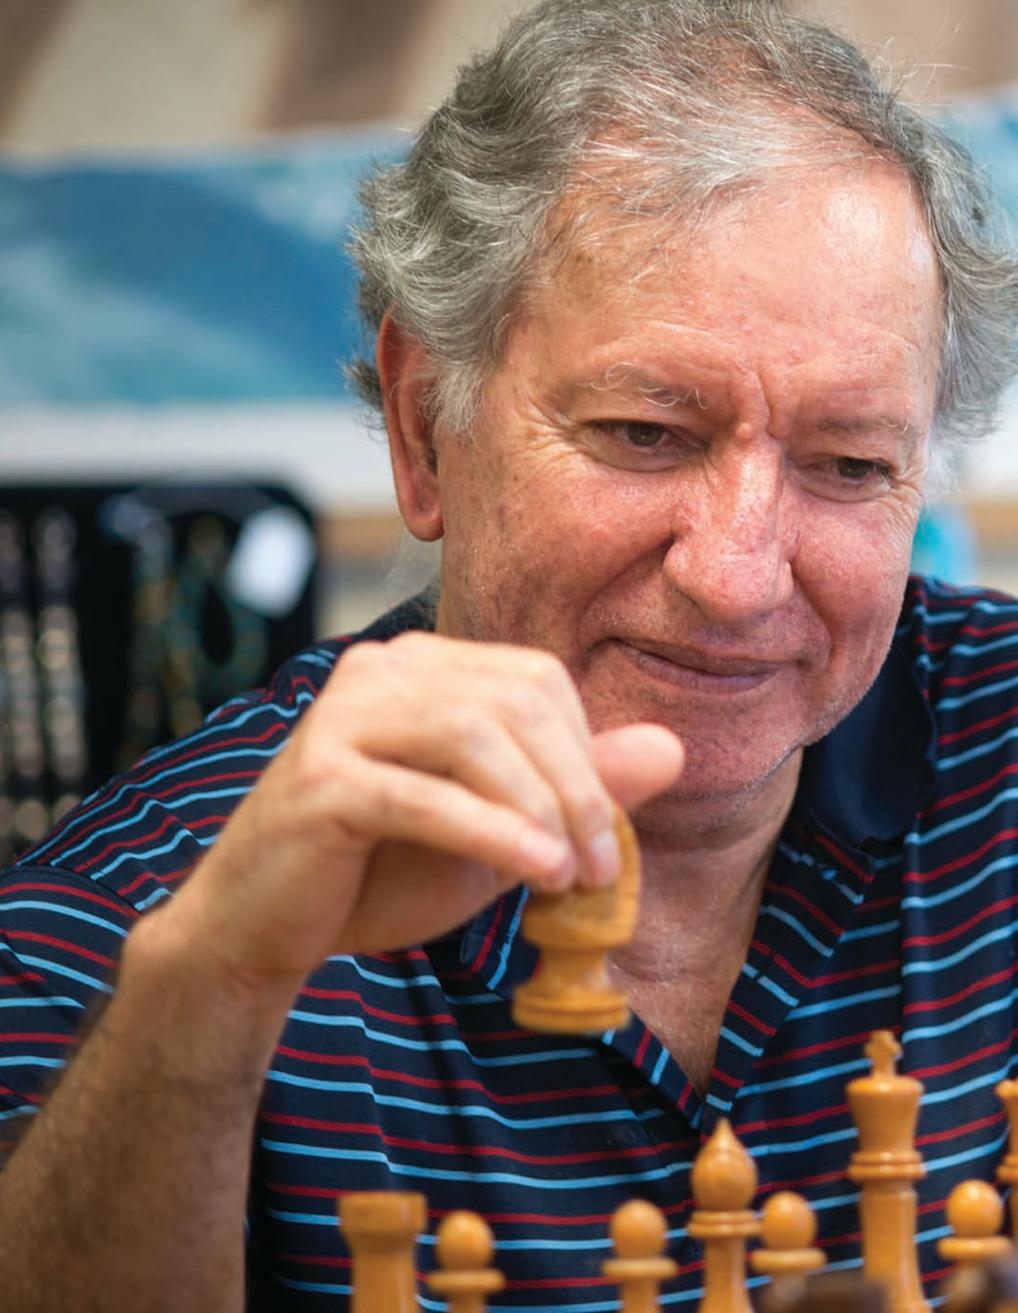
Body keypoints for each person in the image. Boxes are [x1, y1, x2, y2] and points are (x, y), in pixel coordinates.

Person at [1, 0, 1017, 1309]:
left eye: (848, 463)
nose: (734, 573)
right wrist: (218, 990)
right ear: (426, 427)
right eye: (646, 433)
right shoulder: (120, 936)